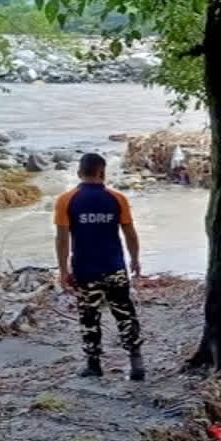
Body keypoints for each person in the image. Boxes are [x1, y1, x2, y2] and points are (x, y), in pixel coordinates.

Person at [54, 153, 145, 380]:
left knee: (89, 317)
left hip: (85, 271)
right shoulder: (117, 198)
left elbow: (62, 239)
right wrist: (134, 259)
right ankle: (136, 364)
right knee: (125, 314)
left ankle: (93, 365)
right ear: (102, 172)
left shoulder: (66, 199)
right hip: (115, 268)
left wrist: (63, 270)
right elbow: (130, 234)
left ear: (79, 173)